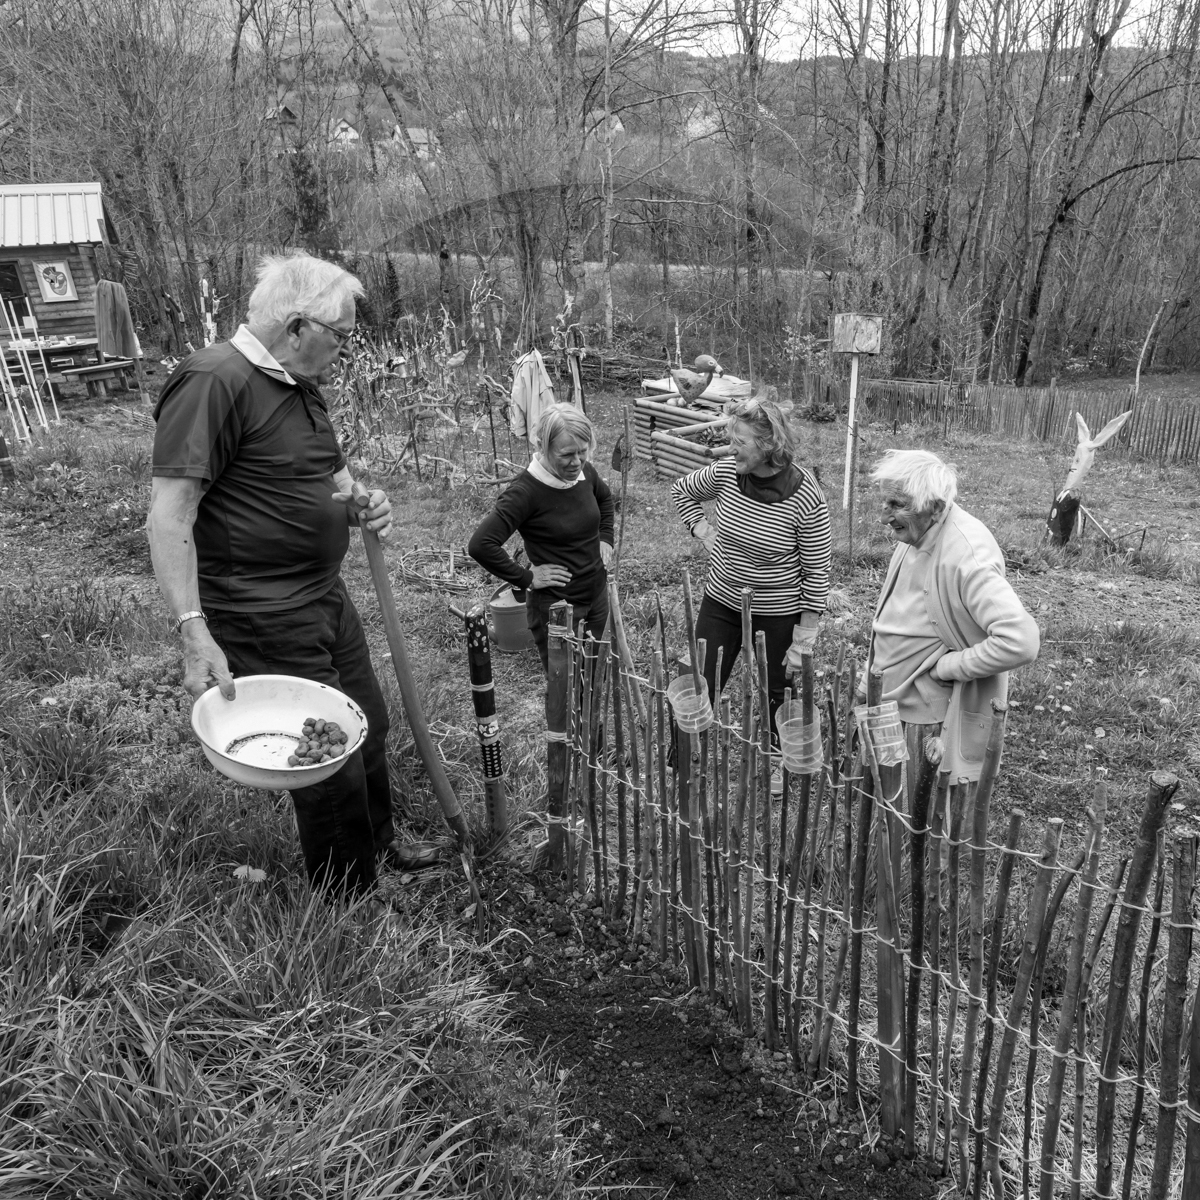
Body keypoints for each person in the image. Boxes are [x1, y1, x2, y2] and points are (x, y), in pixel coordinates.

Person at [147, 251, 402, 896]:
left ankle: (379, 845)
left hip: (322, 596)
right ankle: (348, 899)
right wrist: (191, 629)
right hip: (263, 607)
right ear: (297, 327)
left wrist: (361, 498)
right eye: (340, 334)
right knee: (327, 760)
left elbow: (330, 475)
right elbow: (169, 516)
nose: (346, 348)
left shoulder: (296, 383)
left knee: (367, 721)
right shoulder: (214, 380)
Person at [671, 391, 832, 792]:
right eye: (732, 440)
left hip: (778, 610)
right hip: (722, 599)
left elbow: (816, 569)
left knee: (778, 689)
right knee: (701, 677)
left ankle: (777, 762)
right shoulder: (726, 473)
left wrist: (805, 634)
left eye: (740, 442)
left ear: (769, 444)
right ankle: (681, 755)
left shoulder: (806, 495)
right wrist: (702, 529)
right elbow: (682, 490)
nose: (731, 448)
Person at [868, 449, 1040, 780]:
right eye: (885, 503)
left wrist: (947, 668)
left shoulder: (966, 555)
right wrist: (870, 680)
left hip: (925, 715)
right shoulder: (916, 534)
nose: (884, 516)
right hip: (890, 700)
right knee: (887, 803)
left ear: (934, 505)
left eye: (897, 505)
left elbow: (1021, 642)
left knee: (917, 816)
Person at [468, 404, 614, 671]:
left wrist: (605, 537)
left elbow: (604, 499)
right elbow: (481, 544)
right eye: (567, 454)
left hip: (596, 596)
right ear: (543, 447)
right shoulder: (525, 492)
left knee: (593, 680)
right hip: (558, 608)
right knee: (566, 691)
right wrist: (527, 578)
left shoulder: (584, 473)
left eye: (583, 451)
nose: (577, 462)